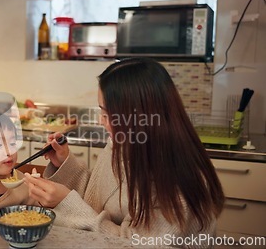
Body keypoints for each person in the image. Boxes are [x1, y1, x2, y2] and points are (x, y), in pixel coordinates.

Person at [23, 58, 225, 242]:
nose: (101, 122)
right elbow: (98, 201)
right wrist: (65, 164)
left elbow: (133, 243)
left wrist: (67, 204)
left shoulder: (179, 182)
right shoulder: (121, 144)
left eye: (107, 113)